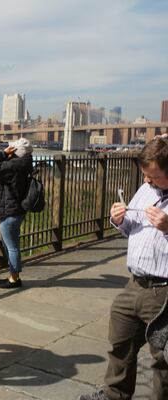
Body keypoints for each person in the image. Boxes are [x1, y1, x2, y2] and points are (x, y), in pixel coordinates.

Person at [79, 135, 168, 400]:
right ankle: (113, 395)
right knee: (121, 343)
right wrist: (119, 219)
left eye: (153, 177)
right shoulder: (146, 190)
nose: (147, 181)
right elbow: (132, 228)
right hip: (135, 284)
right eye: (145, 175)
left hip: (163, 290)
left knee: (162, 357)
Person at [0, 138, 33, 289]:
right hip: (16, 209)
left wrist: (2, 153)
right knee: (10, 244)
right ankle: (12, 276)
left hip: (11, 210)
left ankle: (14, 279)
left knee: (12, 246)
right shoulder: (25, 163)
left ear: (15, 152)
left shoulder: (13, 165)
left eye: (11, 149)